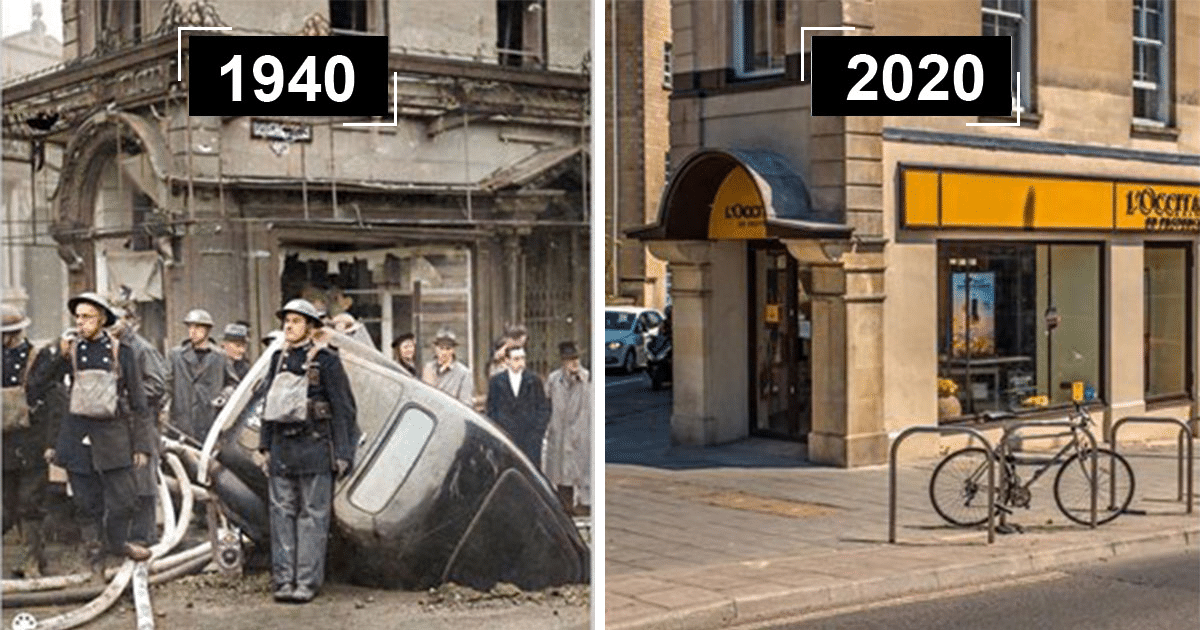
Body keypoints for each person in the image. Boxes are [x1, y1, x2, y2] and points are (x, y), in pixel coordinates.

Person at [256, 299, 358, 604]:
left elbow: (344, 410)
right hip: (283, 450)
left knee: (313, 518)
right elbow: (267, 406)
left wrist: (343, 453)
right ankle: (284, 581)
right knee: (281, 515)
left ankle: (307, 582)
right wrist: (264, 447)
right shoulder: (277, 359)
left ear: (311, 327)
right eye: (286, 320)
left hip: (315, 448)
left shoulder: (327, 361)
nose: (289, 326)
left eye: (296, 321)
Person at [44, 292, 154, 573]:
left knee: (124, 500)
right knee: (85, 502)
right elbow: (41, 384)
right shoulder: (70, 351)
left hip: (113, 435)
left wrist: (142, 445)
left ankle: (117, 544)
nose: (81, 323)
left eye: (87, 317)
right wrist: (59, 354)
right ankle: (94, 555)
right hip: (77, 436)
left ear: (102, 320)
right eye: (77, 317)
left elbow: (140, 404)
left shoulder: (122, 352)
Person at [2, 304, 66, 577]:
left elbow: (55, 403)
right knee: (7, 503)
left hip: (31, 442)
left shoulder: (39, 359)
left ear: (15, 334)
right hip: (3, 444)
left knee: (31, 503)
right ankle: (19, 560)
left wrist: (51, 443)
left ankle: (32, 563)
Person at [109, 306, 167, 547]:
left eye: (117, 320)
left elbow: (158, 385)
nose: (112, 325)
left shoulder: (141, 348)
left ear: (130, 321)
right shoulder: (113, 348)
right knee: (124, 483)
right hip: (119, 425)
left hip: (141, 423)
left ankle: (145, 537)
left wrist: (127, 396)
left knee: (144, 482)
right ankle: (126, 539)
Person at [165, 309, 235, 442]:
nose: (193, 331)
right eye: (190, 327)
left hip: (210, 422)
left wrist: (224, 396)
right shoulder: (175, 356)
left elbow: (233, 384)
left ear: (207, 330)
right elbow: (167, 385)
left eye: (198, 327)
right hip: (182, 423)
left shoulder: (220, 357)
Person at [542, 341, 591, 516]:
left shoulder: (587, 379)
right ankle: (565, 506)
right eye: (570, 359)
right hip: (560, 433)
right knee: (562, 474)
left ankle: (585, 504)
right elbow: (546, 403)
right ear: (563, 362)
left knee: (582, 472)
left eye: (576, 358)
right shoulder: (554, 379)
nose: (574, 363)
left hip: (581, 434)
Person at [485, 346, 549, 465]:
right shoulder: (496, 382)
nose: (521, 363)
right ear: (507, 361)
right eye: (516, 359)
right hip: (505, 439)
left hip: (530, 440)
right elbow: (491, 410)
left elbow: (543, 408)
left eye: (523, 358)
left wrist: (537, 434)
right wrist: (498, 433)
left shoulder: (534, 381)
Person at [421, 329, 474, 407]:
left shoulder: (464, 373)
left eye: (448, 348)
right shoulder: (428, 368)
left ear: (453, 350)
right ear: (436, 348)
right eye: (441, 348)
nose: (444, 352)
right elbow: (423, 396)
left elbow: (466, 403)